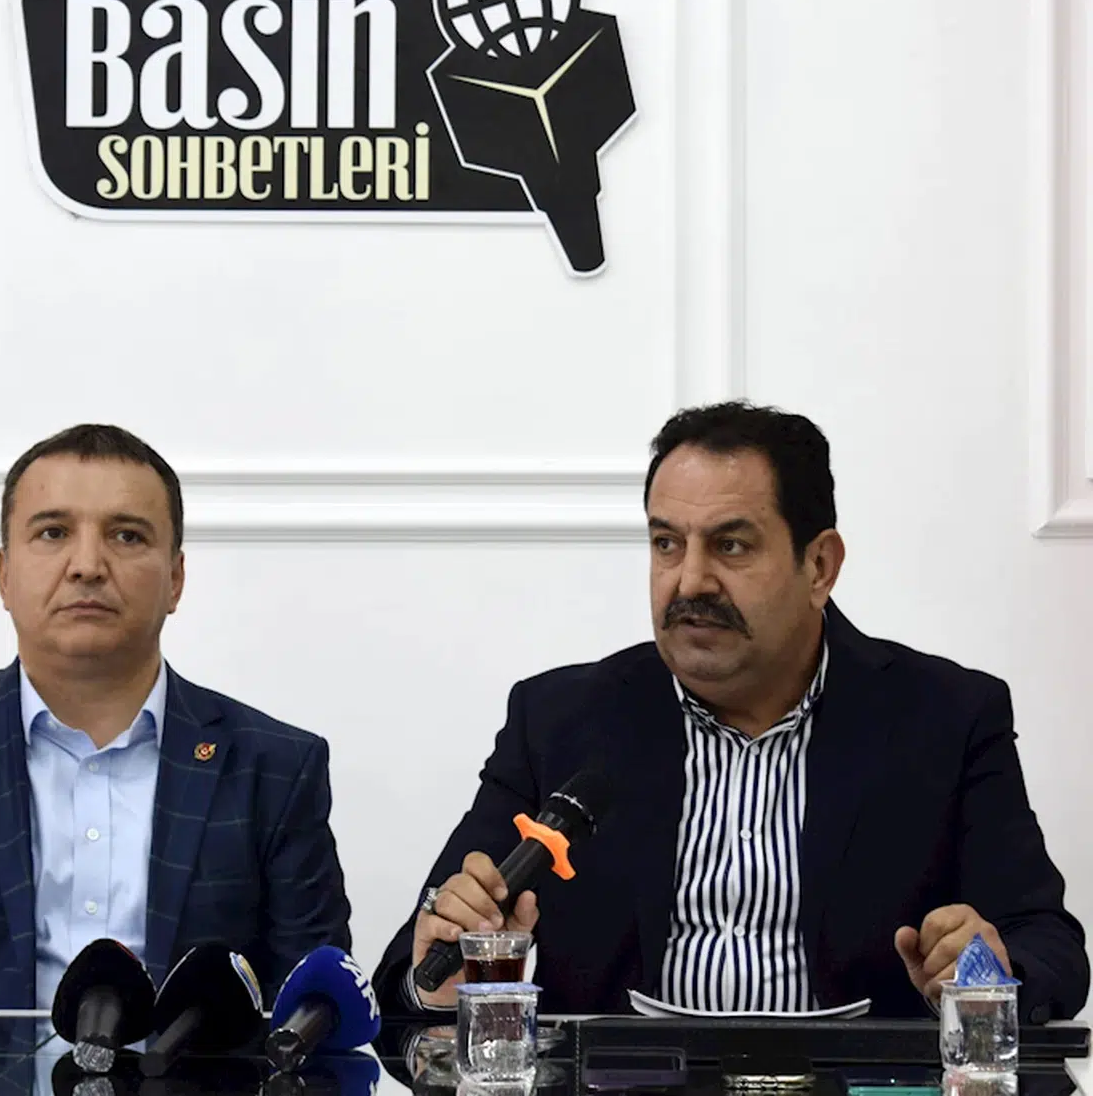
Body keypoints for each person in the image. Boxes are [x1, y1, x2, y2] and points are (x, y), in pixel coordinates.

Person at [374, 402, 1088, 1022]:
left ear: (820, 566)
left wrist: (990, 972)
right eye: (666, 543)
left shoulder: (947, 717)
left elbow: (1047, 946)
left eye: (731, 545)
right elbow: (414, 969)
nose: (690, 580)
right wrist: (439, 981)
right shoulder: (559, 720)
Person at [0, 424, 351, 1008]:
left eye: (126, 535)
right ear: (4, 575)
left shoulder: (274, 767)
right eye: (53, 532)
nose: (88, 565)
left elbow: (314, 1012)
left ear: (175, 580)